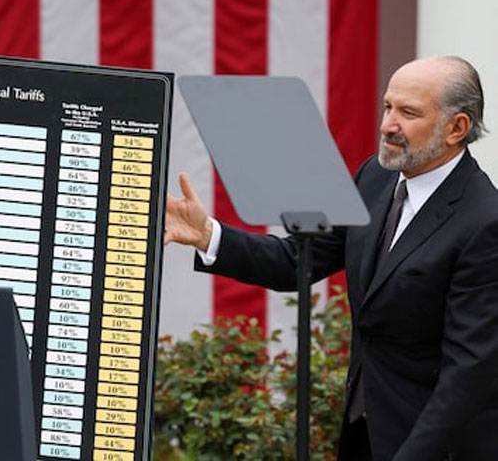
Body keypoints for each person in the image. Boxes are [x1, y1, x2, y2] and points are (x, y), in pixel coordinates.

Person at [165, 56, 498, 460]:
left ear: (456, 128)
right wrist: (208, 235)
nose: (387, 125)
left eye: (407, 113)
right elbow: (297, 259)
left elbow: (469, 373)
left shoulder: (484, 221)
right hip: (363, 430)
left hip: (431, 447)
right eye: (387, 106)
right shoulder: (374, 178)